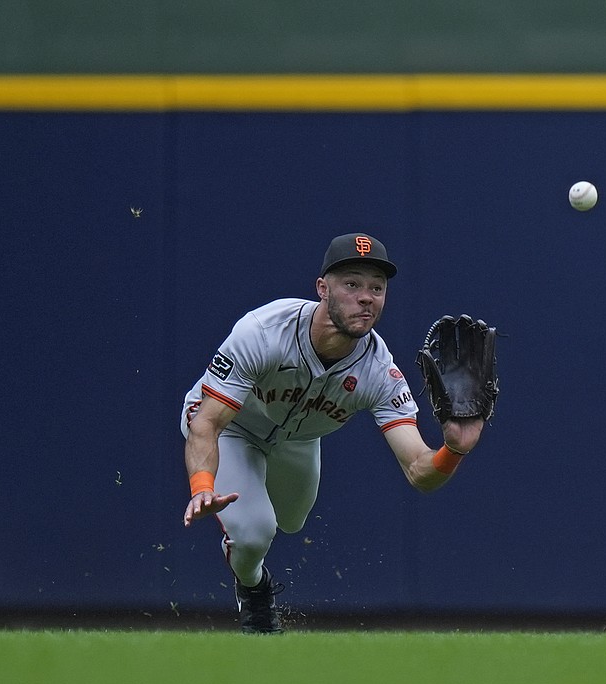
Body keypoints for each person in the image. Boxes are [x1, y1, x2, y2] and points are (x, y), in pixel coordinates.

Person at [179, 233, 485, 633]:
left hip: (298, 441)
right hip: (233, 430)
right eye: (352, 284)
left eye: (377, 287)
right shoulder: (264, 331)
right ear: (322, 289)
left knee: (292, 521)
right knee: (256, 531)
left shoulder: (379, 371)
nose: (366, 297)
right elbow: (208, 423)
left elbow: (418, 470)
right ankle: (255, 589)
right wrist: (202, 485)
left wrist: (454, 449)